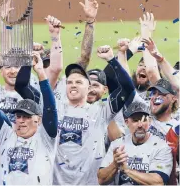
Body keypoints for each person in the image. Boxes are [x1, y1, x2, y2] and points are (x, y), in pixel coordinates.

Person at [53, 45, 136, 185]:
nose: (73, 85)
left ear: (88, 87)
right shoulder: (57, 107)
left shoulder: (101, 112)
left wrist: (112, 60)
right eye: (70, 82)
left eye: (79, 82)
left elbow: (127, 88)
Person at [0, 51, 58, 185]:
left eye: (27, 116)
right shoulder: (5, 136)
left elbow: (50, 109)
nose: (22, 120)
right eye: (19, 116)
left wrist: (41, 73)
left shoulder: (45, 138)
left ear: (38, 119)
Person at [98, 101, 173, 185]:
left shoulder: (161, 146)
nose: (140, 125)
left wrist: (127, 170)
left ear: (150, 121)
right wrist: (114, 164)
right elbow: (101, 179)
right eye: (135, 120)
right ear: (127, 122)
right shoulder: (117, 144)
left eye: (144, 120)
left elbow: (158, 182)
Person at [147, 78, 179, 184]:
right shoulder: (140, 119)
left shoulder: (177, 128)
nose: (155, 97)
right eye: (153, 93)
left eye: (161, 94)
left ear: (173, 98)